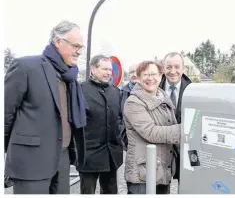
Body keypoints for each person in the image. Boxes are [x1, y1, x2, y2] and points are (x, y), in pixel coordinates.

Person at [4, 20, 86, 194]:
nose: (79, 51)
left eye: (81, 47)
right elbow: (5, 115)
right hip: (31, 163)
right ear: (58, 41)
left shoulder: (70, 76)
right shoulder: (26, 67)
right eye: (76, 46)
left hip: (62, 160)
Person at [123, 60, 181, 194]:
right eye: (146, 74)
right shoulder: (133, 102)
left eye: (154, 74)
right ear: (138, 77)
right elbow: (151, 132)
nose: (150, 78)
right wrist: (185, 129)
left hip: (162, 171)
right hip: (142, 175)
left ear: (161, 76)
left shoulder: (164, 99)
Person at [76, 55, 124, 194]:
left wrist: (118, 141)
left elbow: (119, 118)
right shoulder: (80, 90)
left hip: (111, 154)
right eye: (104, 69)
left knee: (110, 191)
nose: (108, 73)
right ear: (93, 69)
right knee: (87, 191)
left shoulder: (115, 91)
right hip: (89, 155)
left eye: (110, 69)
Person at [159, 52, 191, 182]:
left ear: (183, 69)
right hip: (160, 150)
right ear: (163, 68)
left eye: (177, 67)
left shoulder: (193, 91)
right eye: (169, 67)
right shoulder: (153, 89)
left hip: (183, 151)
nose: (173, 71)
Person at [120, 64, 138, 151]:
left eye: (136, 72)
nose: (134, 74)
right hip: (126, 139)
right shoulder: (122, 92)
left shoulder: (148, 90)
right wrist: (121, 132)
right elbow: (118, 115)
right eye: (132, 72)